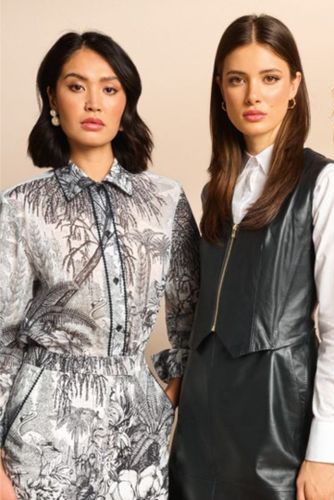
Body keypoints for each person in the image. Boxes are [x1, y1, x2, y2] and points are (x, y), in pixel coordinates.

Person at [169, 14, 334, 500]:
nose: (253, 95)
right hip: (201, 421)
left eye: (270, 78)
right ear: (221, 90)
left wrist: (322, 452)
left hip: (278, 419)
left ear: (294, 85)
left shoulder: (329, 184)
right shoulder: (216, 190)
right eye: (237, 80)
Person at [0, 31, 199, 499]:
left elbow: (191, 313)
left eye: (109, 88)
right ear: (52, 98)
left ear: (125, 102)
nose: (93, 102)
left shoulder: (166, 201)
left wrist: (167, 398)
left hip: (136, 436)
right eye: (76, 86)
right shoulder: (21, 207)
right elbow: (2, 339)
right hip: (42, 436)